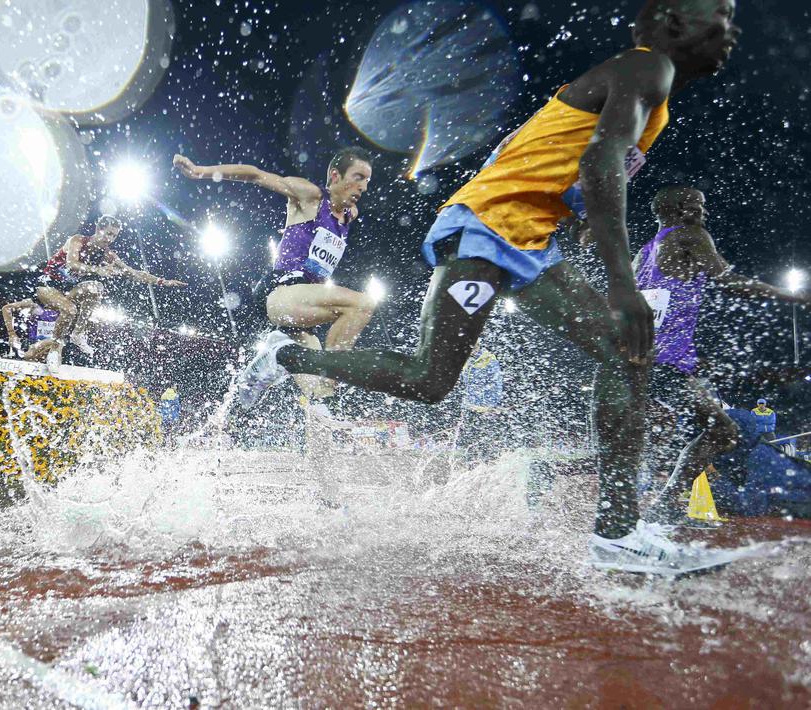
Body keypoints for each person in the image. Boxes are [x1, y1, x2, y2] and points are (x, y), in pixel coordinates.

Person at [235, 0, 744, 574]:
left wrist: (572, 216)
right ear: (675, 19)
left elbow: (569, 165)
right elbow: (600, 163)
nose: (732, 27)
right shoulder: (648, 67)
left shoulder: (647, 82)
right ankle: (286, 356)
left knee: (624, 351)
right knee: (430, 379)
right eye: (722, 11)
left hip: (528, 242)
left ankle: (618, 532)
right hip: (486, 228)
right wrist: (623, 285)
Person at [633, 186, 810, 524]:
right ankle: (663, 510)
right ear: (681, 209)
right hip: (666, 360)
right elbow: (728, 280)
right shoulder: (690, 234)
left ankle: (661, 507)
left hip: (645, 357)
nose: (705, 213)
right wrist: (795, 297)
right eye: (700, 205)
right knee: (724, 432)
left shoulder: (642, 253)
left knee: (713, 430)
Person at [173, 147, 376, 401]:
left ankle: (275, 356)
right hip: (282, 293)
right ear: (335, 176)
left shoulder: (350, 216)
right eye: (358, 177)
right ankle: (282, 353)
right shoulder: (311, 196)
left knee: (320, 396)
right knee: (361, 305)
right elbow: (256, 175)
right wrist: (200, 171)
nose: (364, 187)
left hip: (303, 310)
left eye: (367, 181)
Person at [38, 215, 186, 364]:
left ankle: (78, 334)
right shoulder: (78, 240)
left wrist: (163, 281)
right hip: (48, 285)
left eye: (114, 236)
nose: (110, 239)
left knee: (96, 288)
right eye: (108, 233)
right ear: (98, 229)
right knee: (70, 310)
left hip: (67, 290)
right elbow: (71, 264)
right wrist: (98, 270)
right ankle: (55, 350)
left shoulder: (107, 255)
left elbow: (133, 273)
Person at [458, 341, 504, 464]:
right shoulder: (466, 361)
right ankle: (470, 466)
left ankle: (488, 465)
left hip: (485, 409)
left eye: (472, 347)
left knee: (485, 440)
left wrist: (492, 406)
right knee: (469, 441)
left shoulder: (489, 359)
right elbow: (466, 385)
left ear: (477, 346)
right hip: (469, 408)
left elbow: (497, 385)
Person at [0, 295, 64, 364]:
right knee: (56, 343)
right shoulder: (33, 303)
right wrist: (11, 334)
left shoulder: (66, 309)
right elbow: (6, 308)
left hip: (54, 347)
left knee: (57, 343)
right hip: (34, 343)